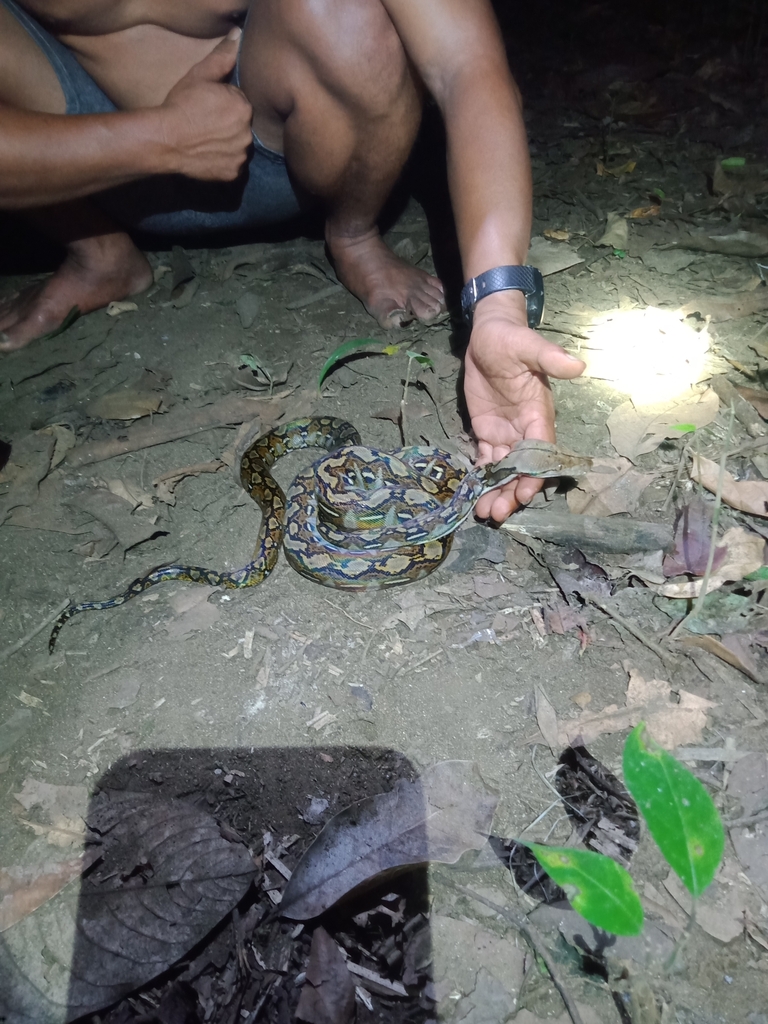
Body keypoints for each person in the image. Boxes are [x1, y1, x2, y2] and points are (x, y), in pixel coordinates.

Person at [0, 0, 585, 520]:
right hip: (76, 164)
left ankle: (353, 233)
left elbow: (467, 65)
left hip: (268, 150)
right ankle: (96, 251)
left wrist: (499, 305)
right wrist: (158, 137)